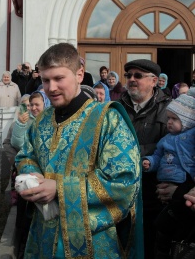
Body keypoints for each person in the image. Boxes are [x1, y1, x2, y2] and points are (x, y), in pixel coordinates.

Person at [15, 43, 142, 258]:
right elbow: (26, 155)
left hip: (91, 241)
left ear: (79, 74)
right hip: (43, 235)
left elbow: (124, 180)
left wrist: (60, 189)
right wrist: (32, 174)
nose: (51, 87)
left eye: (59, 78)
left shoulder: (108, 119)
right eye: (46, 80)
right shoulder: (41, 121)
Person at [118, 59, 171, 259]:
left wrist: (132, 152)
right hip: (121, 193)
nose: (131, 79)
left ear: (154, 81)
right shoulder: (116, 108)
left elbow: (170, 147)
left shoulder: (168, 109)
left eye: (138, 75)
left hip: (153, 195)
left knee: (149, 248)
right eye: (129, 75)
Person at [142, 90, 195, 257]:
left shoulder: (191, 136)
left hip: (183, 185)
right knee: (163, 227)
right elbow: (158, 155)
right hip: (163, 186)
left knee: (168, 223)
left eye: (175, 119)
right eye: (168, 118)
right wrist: (149, 162)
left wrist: (180, 191)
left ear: (187, 121)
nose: (169, 123)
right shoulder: (166, 139)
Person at [11, 91, 50, 259]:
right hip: (27, 174)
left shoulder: (49, 120)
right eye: (31, 105)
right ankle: (21, 247)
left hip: (45, 177)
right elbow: (17, 143)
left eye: (37, 105)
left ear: (44, 104)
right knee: (24, 213)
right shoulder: (24, 121)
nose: (33, 108)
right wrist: (19, 125)